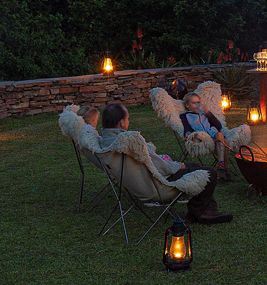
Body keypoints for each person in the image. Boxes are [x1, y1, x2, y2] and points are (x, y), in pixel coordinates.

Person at [99, 103, 232, 225]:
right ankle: (199, 212)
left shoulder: (104, 142)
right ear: (122, 122)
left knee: (195, 166)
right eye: (127, 119)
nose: (128, 122)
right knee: (209, 172)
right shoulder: (129, 141)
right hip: (159, 184)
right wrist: (178, 166)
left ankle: (207, 209)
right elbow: (159, 166)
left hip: (144, 181)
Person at [181, 92, 233, 181]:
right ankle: (225, 168)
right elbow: (186, 127)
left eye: (198, 102)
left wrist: (208, 113)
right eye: (194, 103)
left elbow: (218, 126)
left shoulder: (204, 113)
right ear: (187, 105)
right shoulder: (185, 116)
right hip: (204, 138)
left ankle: (221, 167)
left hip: (214, 134)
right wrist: (187, 134)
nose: (197, 105)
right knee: (226, 142)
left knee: (221, 136)